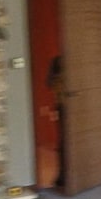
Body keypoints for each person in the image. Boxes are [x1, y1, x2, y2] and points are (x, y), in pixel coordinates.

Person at [47, 55, 65, 188]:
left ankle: (63, 176)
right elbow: (50, 83)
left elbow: (50, 83)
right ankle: (63, 175)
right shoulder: (57, 62)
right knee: (64, 143)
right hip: (63, 106)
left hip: (64, 106)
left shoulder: (58, 62)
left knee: (64, 143)